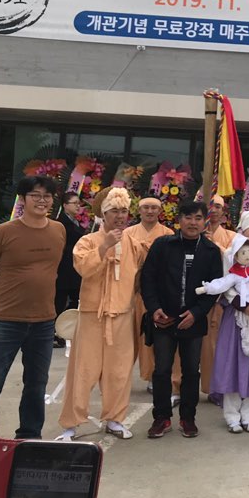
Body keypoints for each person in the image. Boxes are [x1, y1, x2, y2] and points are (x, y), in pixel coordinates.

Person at [0, 176, 65, 439]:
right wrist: (5, 292)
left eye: (47, 196)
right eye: (35, 195)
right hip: (6, 321)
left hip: (44, 322)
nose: (42, 200)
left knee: (36, 384)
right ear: (22, 199)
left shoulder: (58, 230)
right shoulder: (3, 232)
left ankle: (29, 435)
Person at [56, 187, 139, 441]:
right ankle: (71, 424)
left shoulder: (133, 243)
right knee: (83, 370)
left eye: (123, 211)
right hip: (92, 314)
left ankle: (115, 419)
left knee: (119, 372)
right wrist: (104, 246)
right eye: (114, 211)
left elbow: (140, 276)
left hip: (121, 314)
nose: (120, 216)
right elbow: (82, 268)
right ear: (103, 214)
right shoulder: (88, 240)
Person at [141, 201, 222, 438]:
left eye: (198, 218)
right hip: (164, 318)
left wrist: (197, 313)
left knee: (191, 371)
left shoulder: (210, 251)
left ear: (204, 221)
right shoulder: (162, 245)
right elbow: (148, 279)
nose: (193, 223)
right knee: (162, 370)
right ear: (179, 220)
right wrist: (154, 308)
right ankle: (161, 417)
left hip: (193, 320)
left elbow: (215, 287)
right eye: (188, 217)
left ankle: (188, 418)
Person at [209, 217, 249, 434]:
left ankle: (248, 415)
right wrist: (242, 304)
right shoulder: (230, 254)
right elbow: (224, 283)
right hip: (235, 315)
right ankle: (232, 416)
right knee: (232, 363)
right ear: (242, 229)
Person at [124, 197, 178, 399]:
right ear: (139, 210)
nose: (149, 211)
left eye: (154, 208)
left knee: (158, 336)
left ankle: (156, 377)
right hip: (134, 292)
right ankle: (122, 378)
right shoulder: (128, 233)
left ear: (160, 211)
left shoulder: (168, 234)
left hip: (158, 293)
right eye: (146, 207)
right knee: (130, 337)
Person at [201, 195, 237, 401]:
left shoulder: (232, 237)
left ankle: (215, 387)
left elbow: (235, 261)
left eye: (217, 206)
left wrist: (214, 244)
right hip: (194, 296)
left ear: (223, 212)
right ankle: (177, 387)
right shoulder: (191, 233)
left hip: (220, 298)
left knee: (214, 346)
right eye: (209, 206)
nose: (213, 210)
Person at [54, 192, 85, 347]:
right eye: (74, 203)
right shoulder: (61, 223)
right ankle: (56, 332)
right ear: (65, 205)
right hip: (64, 268)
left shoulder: (75, 221)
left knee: (75, 299)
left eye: (79, 203)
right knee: (59, 301)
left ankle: (64, 330)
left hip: (73, 268)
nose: (78, 206)